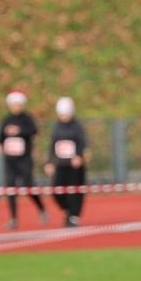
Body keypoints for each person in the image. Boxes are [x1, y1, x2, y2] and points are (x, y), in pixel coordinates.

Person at [0, 89, 47, 229]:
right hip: (10, 160)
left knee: (28, 185)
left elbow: (34, 130)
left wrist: (20, 131)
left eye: (18, 104)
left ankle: (41, 208)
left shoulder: (27, 119)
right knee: (11, 188)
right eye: (13, 104)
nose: (16, 107)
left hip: (24, 159)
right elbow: (0, 136)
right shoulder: (7, 120)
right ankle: (13, 219)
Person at [44, 96, 89, 226]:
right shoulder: (56, 127)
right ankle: (67, 211)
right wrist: (49, 162)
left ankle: (74, 215)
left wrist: (79, 156)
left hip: (74, 165)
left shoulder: (77, 126)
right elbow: (53, 144)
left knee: (74, 191)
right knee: (56, 189)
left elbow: (82, 142)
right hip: (60, 164)